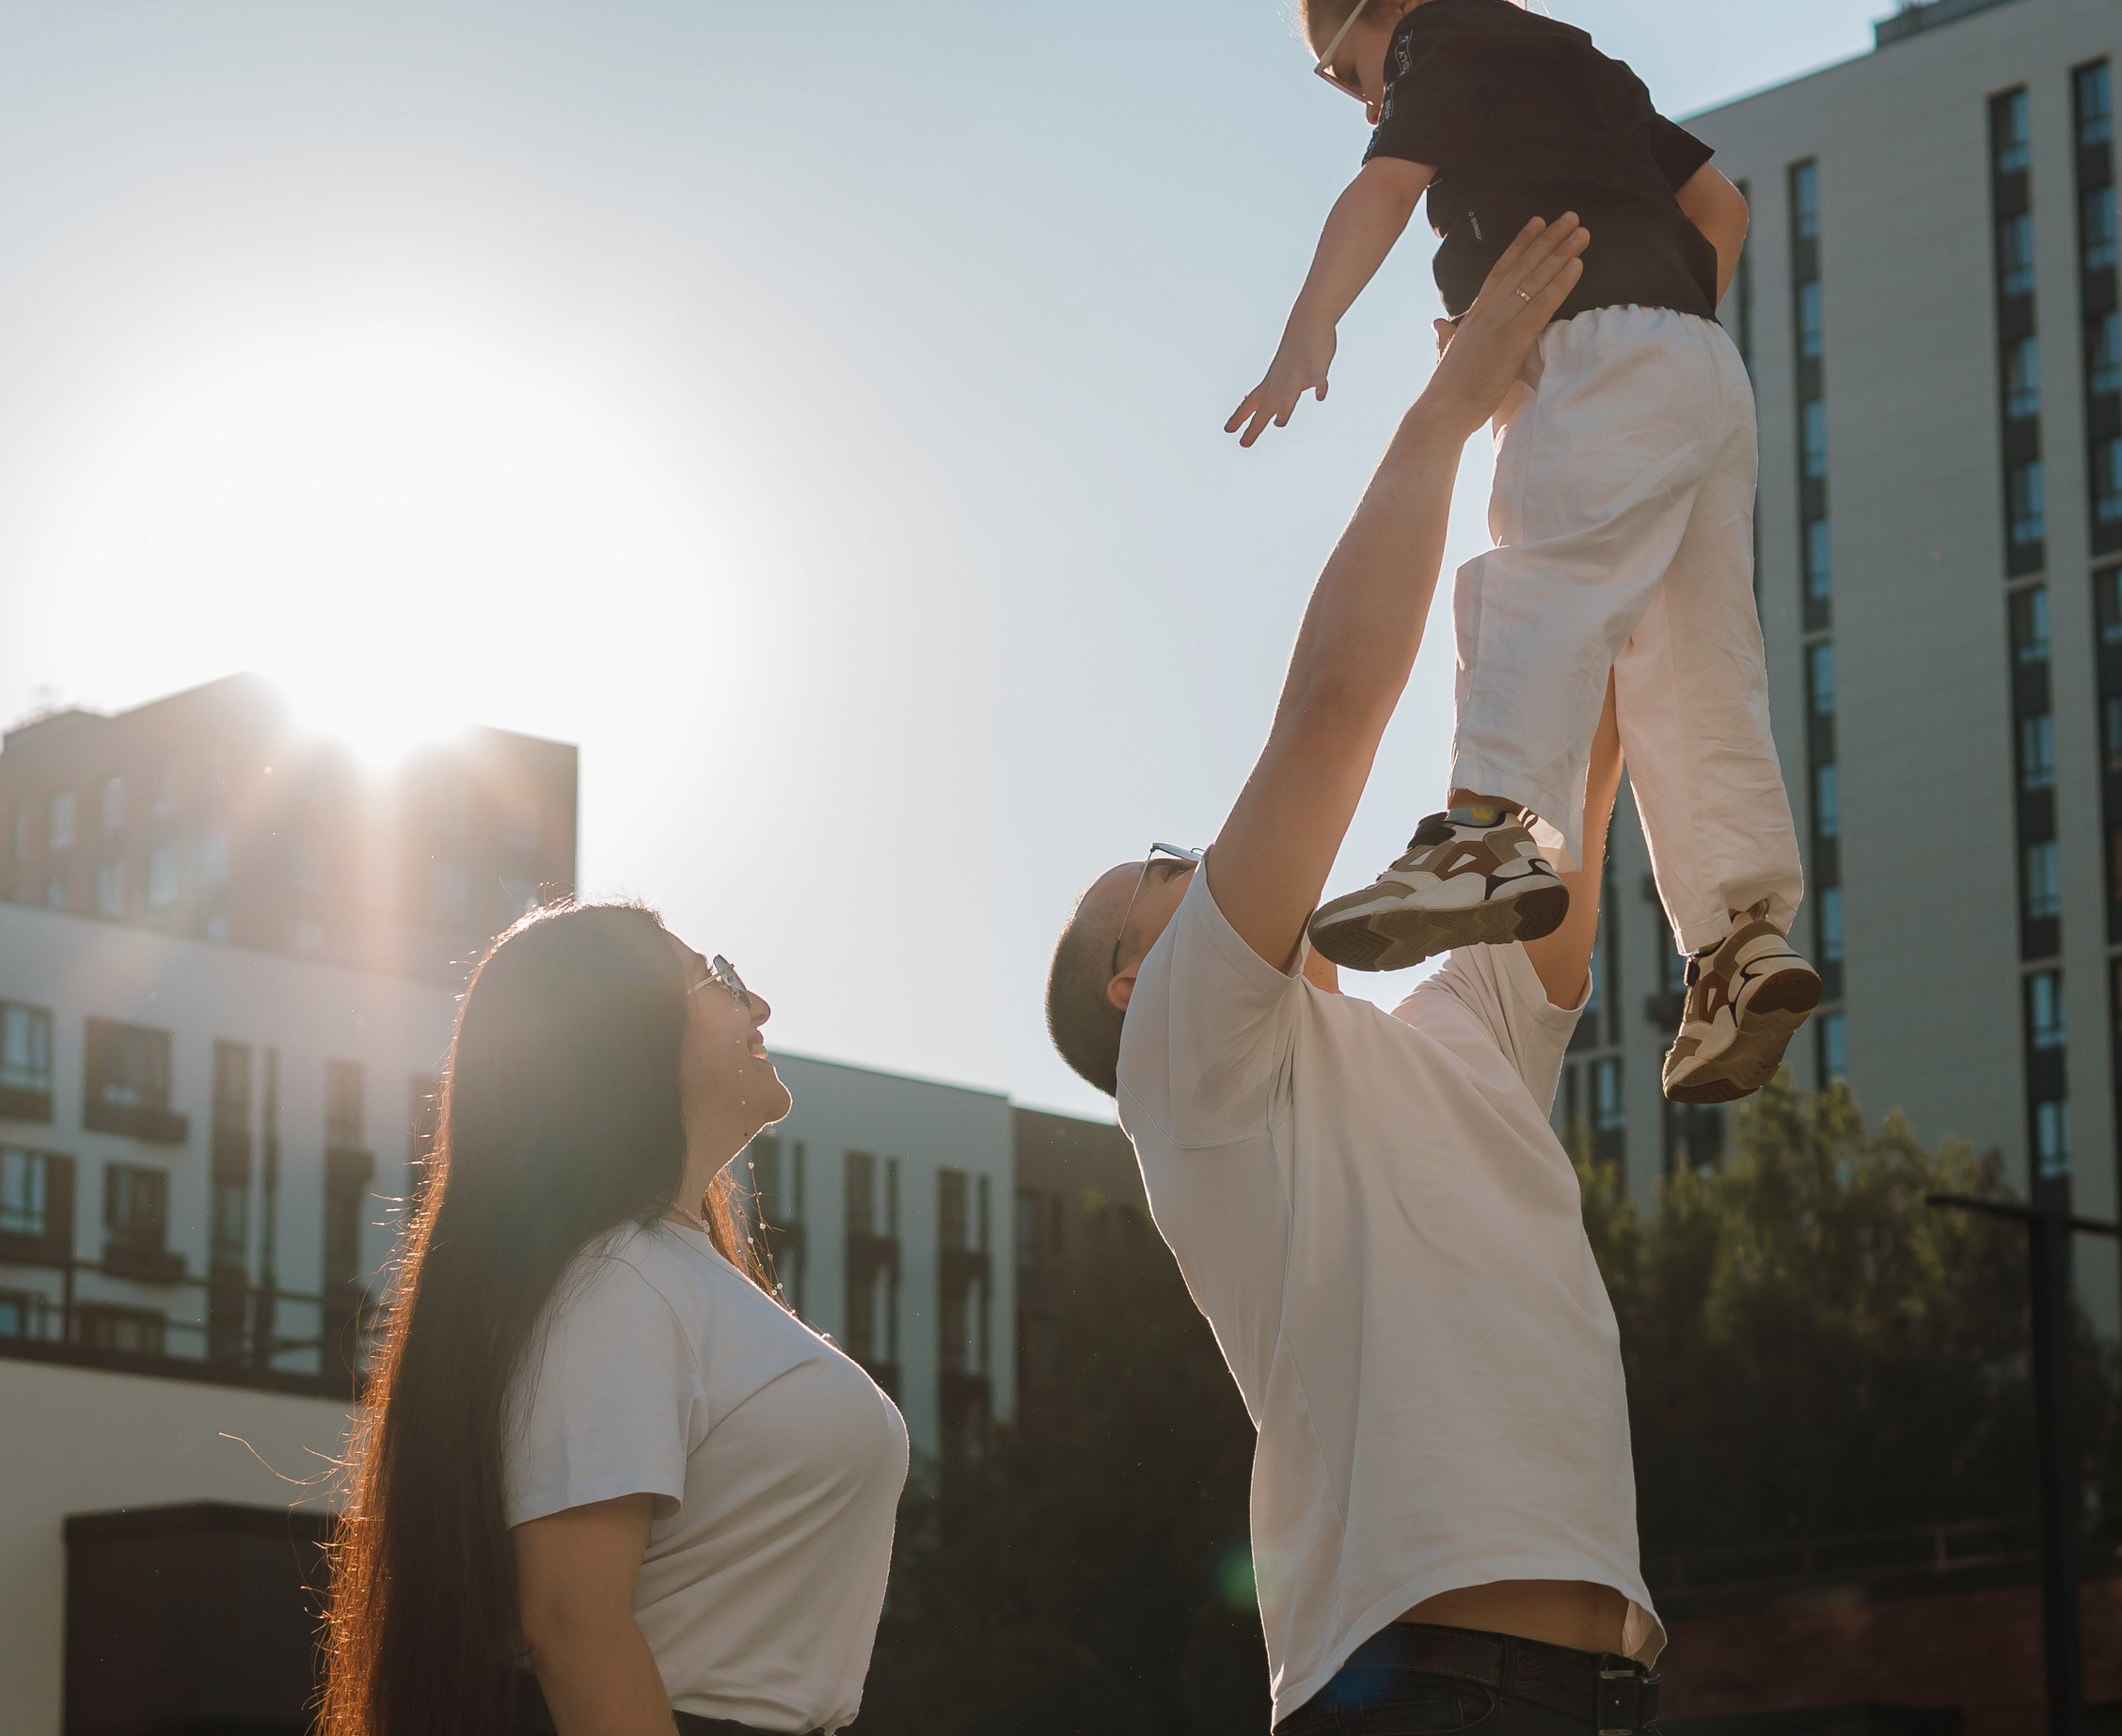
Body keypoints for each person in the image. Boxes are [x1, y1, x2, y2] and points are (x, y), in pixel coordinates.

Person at [1050, 217, 1666, 1732]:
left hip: (1599, 1690)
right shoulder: (1188, 1069)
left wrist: (1595, 464)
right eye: (1163, 871)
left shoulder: (1455, 1037)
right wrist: (1442, 410)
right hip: (1414, 1689)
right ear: (1140, 981)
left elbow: (1573, 781)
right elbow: (1331, 710)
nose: (1198, 853)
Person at [1225, 0, 1813, 1101]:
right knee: (1697, 667)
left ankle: (1492, 829)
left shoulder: (1443, 39)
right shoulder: (1588, 65)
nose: (1368, 106)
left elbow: (1385, 190)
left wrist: (1309, 328)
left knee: (1539, 580)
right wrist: (1662, 314)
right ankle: (1740, 940)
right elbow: (1722, 206)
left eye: (1349, 75)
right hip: (1708, 367)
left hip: (1602, 353)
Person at [318, 902, 910, 1736]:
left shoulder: (669, 1275)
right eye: (723, 980)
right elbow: (571, 1625)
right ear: (624, 1037)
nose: (760, 1008)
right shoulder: (617, 1282)